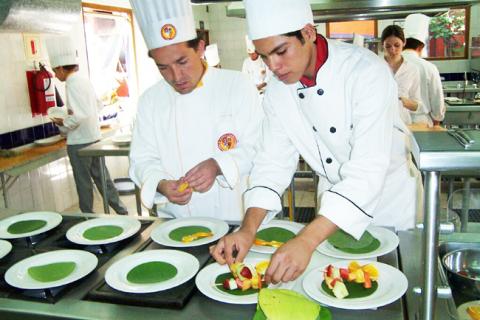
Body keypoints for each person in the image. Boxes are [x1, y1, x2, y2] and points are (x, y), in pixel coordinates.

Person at [211, 0, 420, 284]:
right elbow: (271, 164)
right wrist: (248, 229)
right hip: (332, 206)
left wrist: (306, 240)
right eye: (263, 56)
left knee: (390, 289)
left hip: (388, 202)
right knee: (333, 287)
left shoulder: (366, 73)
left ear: (308, 32)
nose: (274, 66)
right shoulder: (277, 91)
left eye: (281, 51)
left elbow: (368, 171)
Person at [128, 0, 262, 220]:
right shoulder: (150, 101)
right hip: (175, 221)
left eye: (182, 62)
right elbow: (142, 160)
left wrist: (219, 165)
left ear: (200, 48)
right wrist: (161, 184)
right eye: (163, 67)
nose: (176, 77)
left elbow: (258, 146)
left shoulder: (237, 86)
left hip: (233, 220)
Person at [45, 36, 128, 215]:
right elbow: (97, 105)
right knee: (103, 180)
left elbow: (80, 115)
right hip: (94, 139)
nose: (55, 75)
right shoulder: (83, 80)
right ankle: (122, 211)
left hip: (79, 142)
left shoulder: (71, 84)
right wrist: (73, 114)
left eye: (54, 71)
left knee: (83, 183)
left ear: (60, 68)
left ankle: (88, 218)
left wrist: (64, 122)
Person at [403, 13, 445, 127]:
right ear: (421, 46)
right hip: (421, 124)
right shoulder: (429, 68)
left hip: (397, 123)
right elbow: (437, 100)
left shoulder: (391, 64)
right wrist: (437, 119)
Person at [381, 25, 424, 125]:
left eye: (397, 45)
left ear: (404, 43)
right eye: (388, 46)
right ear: (382, 45)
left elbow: (418, 105)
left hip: (403, 123)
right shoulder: (375, 66)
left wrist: (405, 102)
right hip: (380, 123)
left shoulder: (412, 69)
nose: (392, 50)